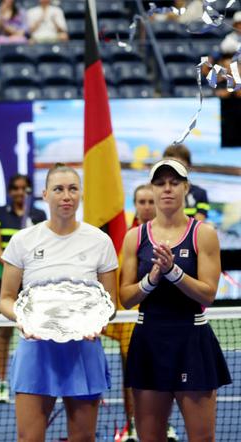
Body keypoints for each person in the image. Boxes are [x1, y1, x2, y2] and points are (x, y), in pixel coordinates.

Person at [0, 163, 118, 441]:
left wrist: (98, 322)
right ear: (45, 195)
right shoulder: (23, 240)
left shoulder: (100, 241)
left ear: (80, 195)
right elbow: (6, 299)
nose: (66, 195)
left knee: (84, 438)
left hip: (83, 352)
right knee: (29, 438)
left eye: (73, 189)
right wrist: (23, 320)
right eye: (59, 189)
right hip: (35, 351)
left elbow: (109, 303)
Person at [120, 159, 231, 441]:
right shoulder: (135, 237)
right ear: (152, 189)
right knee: (150, 438)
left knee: (203, 438)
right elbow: (125, 297)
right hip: (149, 341)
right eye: (160, 183)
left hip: (191, 340)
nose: (167, 189)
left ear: (186, 188)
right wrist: (152, 280)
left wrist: (173, 271)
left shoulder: (203, 234)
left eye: (174, 183)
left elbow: (208, 293)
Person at [0, 174, 46, 404]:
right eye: (16, 188)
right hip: (5, 280)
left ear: (30, 191)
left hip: (32, 281)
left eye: (24, 188)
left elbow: (43, 245)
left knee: (37, 330)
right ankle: (1, 383)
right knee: (4, 333)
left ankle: (39, 379)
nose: (20, 192)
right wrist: (16, 269)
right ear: (10, 191)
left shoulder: (39, 215)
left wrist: (28, 270)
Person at [104, 183, 155, 442]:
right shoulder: (127, 237)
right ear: (134, 205)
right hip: (130, 316)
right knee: (130, 375)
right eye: (141, 202)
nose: (146, 207)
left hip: (160, 317)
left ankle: (161, 425)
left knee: (161, 379)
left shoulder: (169, 235)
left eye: (150, 202)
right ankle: (132, 426)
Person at [162, 143, 209, 221]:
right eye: (171, 164)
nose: (174, 169)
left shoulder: (200, 193)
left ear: (188, 166)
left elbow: (198, 224)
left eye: (179, 164)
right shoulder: (152, 191)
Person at [0, 0, 28, 71]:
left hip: (17, 36)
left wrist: (14, 33)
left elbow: (25, 29)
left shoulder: (20, 11)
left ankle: (23, 68)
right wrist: (1, 14)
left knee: (23, 40)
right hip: (3, 36)